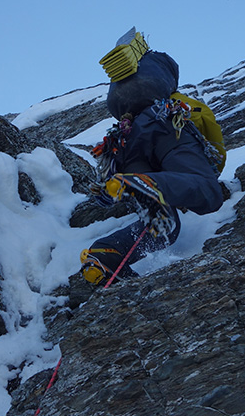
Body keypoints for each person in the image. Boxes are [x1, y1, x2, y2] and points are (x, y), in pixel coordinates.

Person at [80, 30, 224, 284]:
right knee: (208, 193)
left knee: (163, 226)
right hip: (163, 125)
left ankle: (107, 253)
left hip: (126, 144)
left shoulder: (120, 92)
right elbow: (207, 129)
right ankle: (147, 183)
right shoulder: (160, 70)